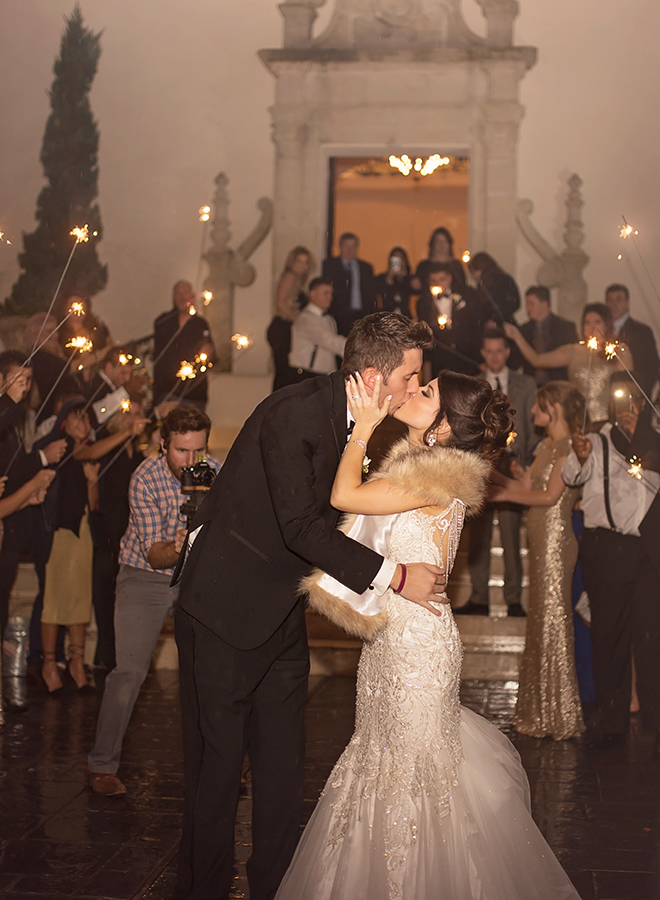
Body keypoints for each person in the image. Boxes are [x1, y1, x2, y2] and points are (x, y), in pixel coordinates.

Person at [275, 371, 581, 900]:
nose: (413, 391)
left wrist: (363, 428)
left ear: (442, 427)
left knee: (412, 782)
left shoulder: (437, 479)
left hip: (417, 651)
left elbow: (345, 492)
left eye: (427, 392)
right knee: (383, 763)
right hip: (392, 643)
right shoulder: (423, 468)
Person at [172, 313, 446, 900]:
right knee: (215, 775)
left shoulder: (369, 425)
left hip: (281, 616)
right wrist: (395, 576)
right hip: (223, 609)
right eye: (411, 375)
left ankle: (274, 887)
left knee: (282, 771)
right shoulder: (293, 412)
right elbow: (299, 526)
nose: (416, 387)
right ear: (374, 377)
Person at [87, 406, 221, 796]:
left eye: (198, 451)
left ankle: (219, 765)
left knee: (210, 673)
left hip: (195, 578)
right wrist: (183, 545)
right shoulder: (144, 477)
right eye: (182, 451)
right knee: (128, 673)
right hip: (144, 577)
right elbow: (154, 554)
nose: (191, 461)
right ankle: (102, 764)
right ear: (164, 445)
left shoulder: (217, 470)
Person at [562, 374, 660, 756]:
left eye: (634, 397)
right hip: (606, 549)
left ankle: (654, 717)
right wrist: (582, 456)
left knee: (651, 636)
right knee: (609, 638)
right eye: (620, 398)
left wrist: (644, 438)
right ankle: (613, 721)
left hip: (647, 553)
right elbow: (572, 474)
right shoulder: (595, 440)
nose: (627, 405)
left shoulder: (653, 440)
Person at [489, 382, 585, 739]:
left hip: (557, 541)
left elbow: (548, 497)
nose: (532, 413)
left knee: (553, 621)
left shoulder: (569, 447)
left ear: (555, 408)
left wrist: (498, 489)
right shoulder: (545, 445)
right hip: (540, 540)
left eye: (539, 406)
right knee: (541, 620)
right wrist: (488, 474)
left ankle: (559, 714)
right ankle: (540, 712)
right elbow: (524, 484)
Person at [37, 399, 149, 694]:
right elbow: (85, 451)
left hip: (82, 529)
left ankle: (76, 662)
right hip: (59, 532)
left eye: (87, 419)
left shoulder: (88, 453)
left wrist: (90, 482)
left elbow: (91, 501)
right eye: (78, 418)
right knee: (55, 600)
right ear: (64, 421)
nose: (84, 423)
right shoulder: (61, 444)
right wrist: (127, 432)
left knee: (78, 598)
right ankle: (48, 663)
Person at [463, 329, 537, 616]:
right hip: (482, 464)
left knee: (510, 535)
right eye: (489, 351)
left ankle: (514, 598)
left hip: (513, 464)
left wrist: (528, 462)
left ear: (507, 352)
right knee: (479, 534)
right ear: (483, 353)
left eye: (499, 351)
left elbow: (532, 427)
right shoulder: (475, 384)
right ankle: (479, 596)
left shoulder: (526, 384)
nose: (494, 357)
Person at [505, 303, 633, 429]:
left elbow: (627, 389)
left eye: (597, 322)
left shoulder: (618, 351)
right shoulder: (573, 351)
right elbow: (537, 360)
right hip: (578, 422)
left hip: (608, 423)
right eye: (587, 323)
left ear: (607, 324)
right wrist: (517, 337)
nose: (592, 327)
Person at [89, 399, 148, 671]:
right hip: (106, 529)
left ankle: (120, 656)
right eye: (128, 413)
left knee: (123, 595)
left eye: (138, 414)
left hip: (128, 530)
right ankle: (104, 655)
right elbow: (87, 453)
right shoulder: (107, 441)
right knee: (103, 592)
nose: (133, 418)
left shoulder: (136, 452)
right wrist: (126, 432)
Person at [153, 281, 216, 410]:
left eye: (186, 292)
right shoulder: (164, 321)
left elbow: (212, 357)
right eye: (179, 293)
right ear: (173, 297)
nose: (182, 297)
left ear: (192, 296)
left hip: (194, 393)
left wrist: (209, 353)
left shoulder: (200, 324)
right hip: (167, 390)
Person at [415, 262, 482, 379]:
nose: (438, 284)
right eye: (433, 281)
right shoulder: (423, 304)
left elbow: (475, 329)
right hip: (439, 362)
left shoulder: (466, 296)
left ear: (449, 278)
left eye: (442, 279)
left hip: (466, 360)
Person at [267, 246, 312, 392]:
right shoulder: (290, 276)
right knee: (283, 371)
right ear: (291, 262)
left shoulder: (297, 280)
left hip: (285, 327)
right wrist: (298, 321)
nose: (302, 266)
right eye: (299, 261)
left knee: (284, 371)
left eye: (306, 262)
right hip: (282, 327)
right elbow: (280, 303)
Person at [605, 282, 659, 398]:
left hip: (634, 395)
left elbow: (650, 367)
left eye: (618, 300)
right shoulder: (603, 332)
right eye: (610, 300)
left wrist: (639, 395)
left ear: (627, 303)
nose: (614, 304)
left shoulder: (641, 332)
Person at [288, 278, 345, 381]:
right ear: (313, 294)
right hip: (306, 375)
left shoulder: (328, 319)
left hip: (323, 375)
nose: (330, 297)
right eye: (325, 293)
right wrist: (355, 348)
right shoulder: (306, 319)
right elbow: (328, 340)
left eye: (331, 293)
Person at [519, 285, 578, 384]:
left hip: (557, 385)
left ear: (544, 304)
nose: (528, 308)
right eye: (527, 304)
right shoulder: (524, 330)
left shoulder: (565, 328)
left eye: (531, 304)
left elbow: (573, 359)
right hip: (531, 386)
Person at [322, 232, 376, 336]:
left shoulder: (366, 268)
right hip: (339, 316)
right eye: (346, 245)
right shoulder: (331, 265)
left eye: (353, 246)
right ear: (340, 246)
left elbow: (370, 293)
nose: (350, 250)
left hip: (361, 316)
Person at [468, 251, 520, 325]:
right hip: (507, 322)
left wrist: (492, 319)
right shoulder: (506, 279)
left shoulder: (484, 285)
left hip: (491, 324)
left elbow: (483, 307)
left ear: (479, 270)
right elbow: (515, 303)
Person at [411, 226, 466, 293]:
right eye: (438, 241)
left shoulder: (456, 265)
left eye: (445, 241)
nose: (441, 245)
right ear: (433, 244)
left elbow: (462, 286)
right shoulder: (423, 266)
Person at [374, 247, 413, 318]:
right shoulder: (382, 278)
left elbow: (415, 290)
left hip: (405, 317)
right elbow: (380, 291)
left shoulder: (409, 278)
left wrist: (405, 277)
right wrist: (389, 278)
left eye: (401, 259)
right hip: (387, 316)